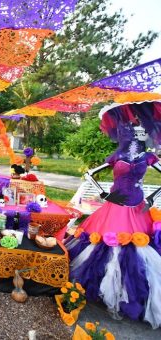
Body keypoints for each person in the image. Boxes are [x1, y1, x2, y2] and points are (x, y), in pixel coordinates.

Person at [66, 101, 161, 328]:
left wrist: (151, 198)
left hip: (138, 207)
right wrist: (104, 195)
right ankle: (102, 290)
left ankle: (128, 295)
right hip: (113, 206)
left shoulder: (148, 157)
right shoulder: (115, 155)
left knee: (135, 250)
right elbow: (90, 174)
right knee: (104, 245)